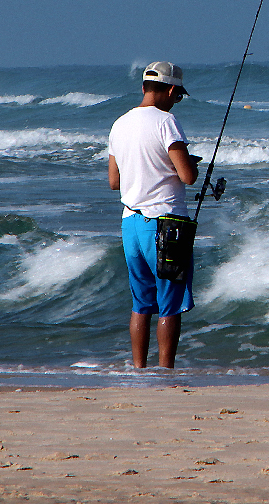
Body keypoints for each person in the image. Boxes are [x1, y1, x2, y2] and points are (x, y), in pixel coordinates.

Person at [107, 61, 199, 368]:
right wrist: (190, 163)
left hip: (130, 224)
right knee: (169, 305)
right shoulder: (166, 122)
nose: (177, 102)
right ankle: (165, 372)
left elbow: (114, 181)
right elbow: (188, 176)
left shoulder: (119, 124)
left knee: (141, 304)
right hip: (166, 224)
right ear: (171, 90)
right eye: (178, 96)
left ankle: (138, 371)